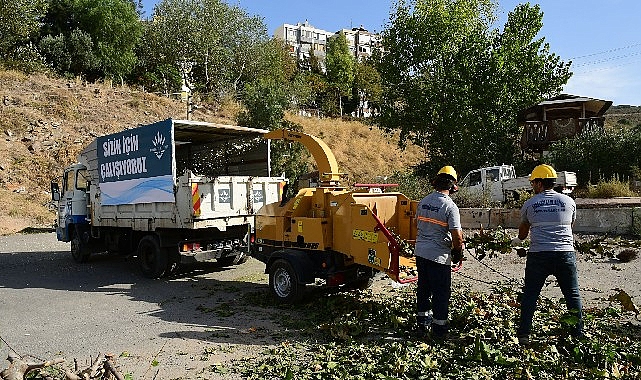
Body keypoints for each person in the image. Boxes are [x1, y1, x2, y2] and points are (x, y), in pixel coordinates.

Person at [511, 164, 583, 345]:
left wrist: (518, 241)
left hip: (539, 255)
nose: (532, 186)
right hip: (565, 254)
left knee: (530, 294)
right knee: (572, 295)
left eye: (533, 182)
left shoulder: (530, 203)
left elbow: (523, 232)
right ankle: (578, 334)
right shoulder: (569, 202)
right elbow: (570, 227)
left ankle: (524, 334)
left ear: (540, 183)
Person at [414, 165, 464, 339]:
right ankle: (439, 330)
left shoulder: (423, 201)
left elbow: (417, 225)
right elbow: (457, 236)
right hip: (438, 257)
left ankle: (422, 325)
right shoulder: (450, 206)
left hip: (420, 252)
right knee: (441, 293)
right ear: (452, 186)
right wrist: (458, 252)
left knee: (423, 289)